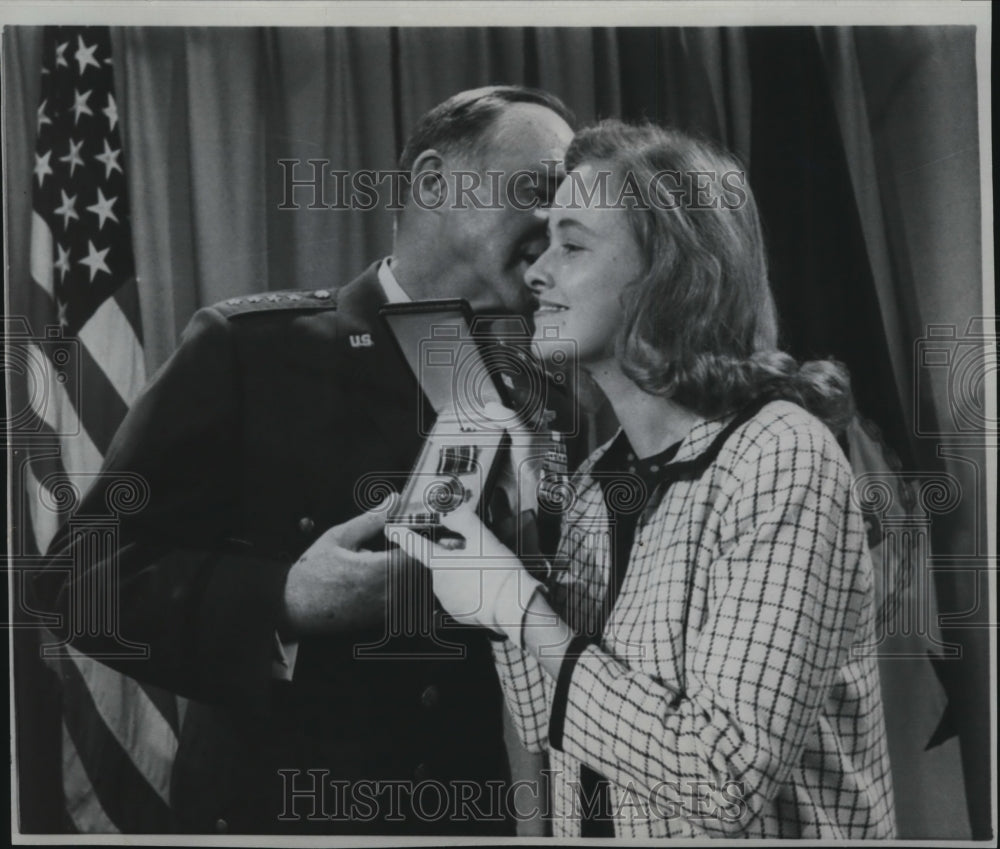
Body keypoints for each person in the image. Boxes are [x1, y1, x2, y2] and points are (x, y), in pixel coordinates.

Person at [31, 86, 575, 834]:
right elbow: (79, 578)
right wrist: (284, 596)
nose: (562, 220)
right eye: (542, 189)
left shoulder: (543, 388)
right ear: (431, 181)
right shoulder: (251, 350)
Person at [392, 120, 897, 838]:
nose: (537, 272)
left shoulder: (781, 455)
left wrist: (517, 610)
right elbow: (550, 720)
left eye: (571, 245)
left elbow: (723, 778)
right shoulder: (604, 477)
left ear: (669, 273)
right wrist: (516, 543)